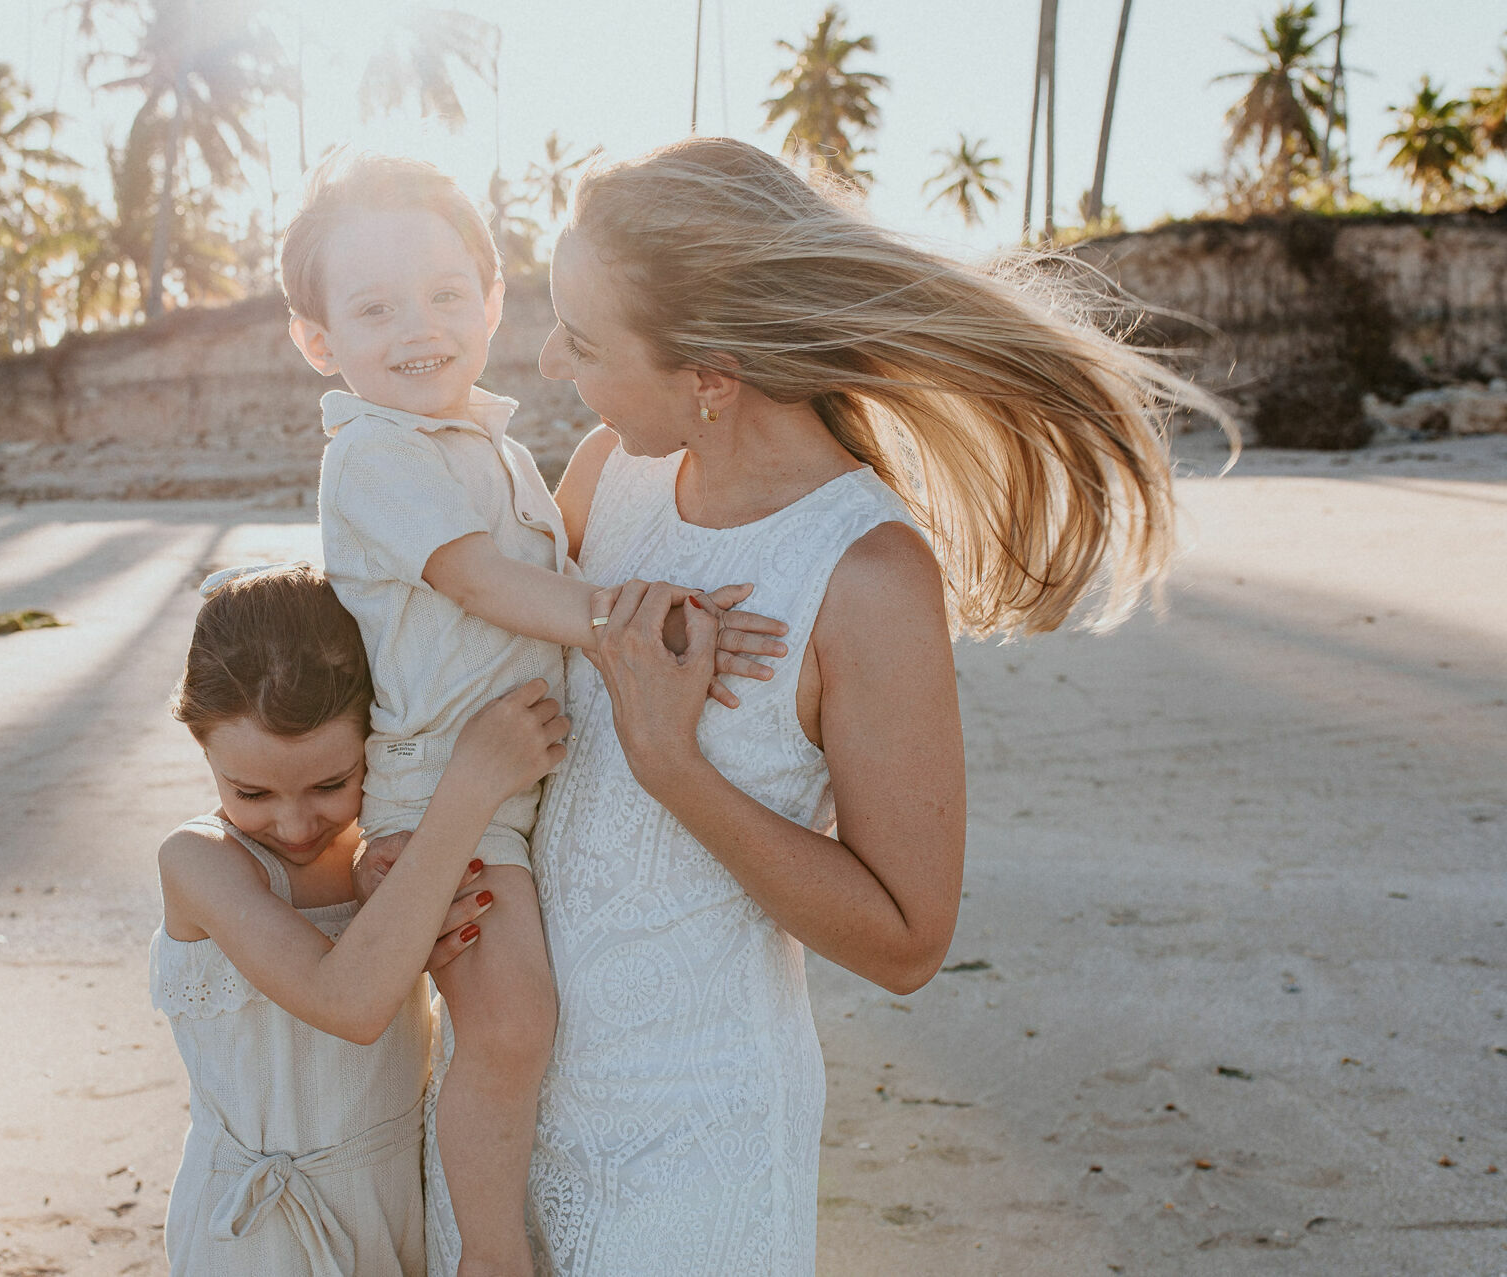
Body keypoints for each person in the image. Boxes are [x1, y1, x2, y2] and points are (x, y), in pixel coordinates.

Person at [361, 136, 1226, 1273]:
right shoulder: (608, 475)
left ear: (710, 379)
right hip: (499, 1110)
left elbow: (909, 939)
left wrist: (674, 766)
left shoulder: (865, 572)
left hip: (694, 1145)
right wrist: (407, 854)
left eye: (585, 338)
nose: (551, 359)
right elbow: (474, 683)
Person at [280, 155, 781, 1276]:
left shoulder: (495, 449)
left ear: (494, 299)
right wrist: (643, 620)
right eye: (374, 309)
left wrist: (660, 607)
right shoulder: (371, 454)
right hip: (445, 793)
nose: (419, 327)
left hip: (517, 789)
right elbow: (479, 582)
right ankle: (492, 1253)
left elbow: (546, 572)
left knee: (526, 1017)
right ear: (319, 341)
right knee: (509, 1022)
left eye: (445, 293)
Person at [150, 562, 569, 1275]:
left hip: (396, 1206)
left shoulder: (382, 854)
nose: (294, 823)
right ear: (202, 746)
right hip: (260, 1232)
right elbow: (349, 1003)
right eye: (251, 791)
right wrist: (471, 783)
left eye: (330, 783)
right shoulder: (201, 862)